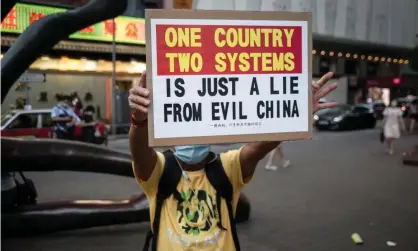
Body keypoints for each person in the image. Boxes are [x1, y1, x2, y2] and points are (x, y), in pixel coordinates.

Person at [129, 70, 337, 251]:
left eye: (198, 129)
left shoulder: (227, 167)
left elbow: (260, 147)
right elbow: (139, 151)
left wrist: (296, 114)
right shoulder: (160, 170)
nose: (191, 137)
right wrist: (139, 120)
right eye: (184, 130)